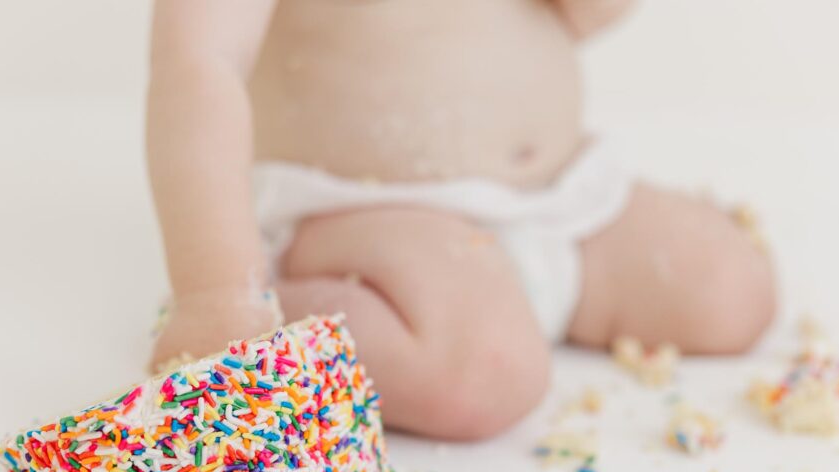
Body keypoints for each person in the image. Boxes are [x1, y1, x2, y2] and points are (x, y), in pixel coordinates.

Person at [147, 0, 775, 440]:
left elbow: (587, 15)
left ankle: (512, 305)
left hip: (557, 195)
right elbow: (200, 68)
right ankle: (287, 309)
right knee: (484, 375)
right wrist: (219, 291)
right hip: (379, 223)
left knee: (730, 291)